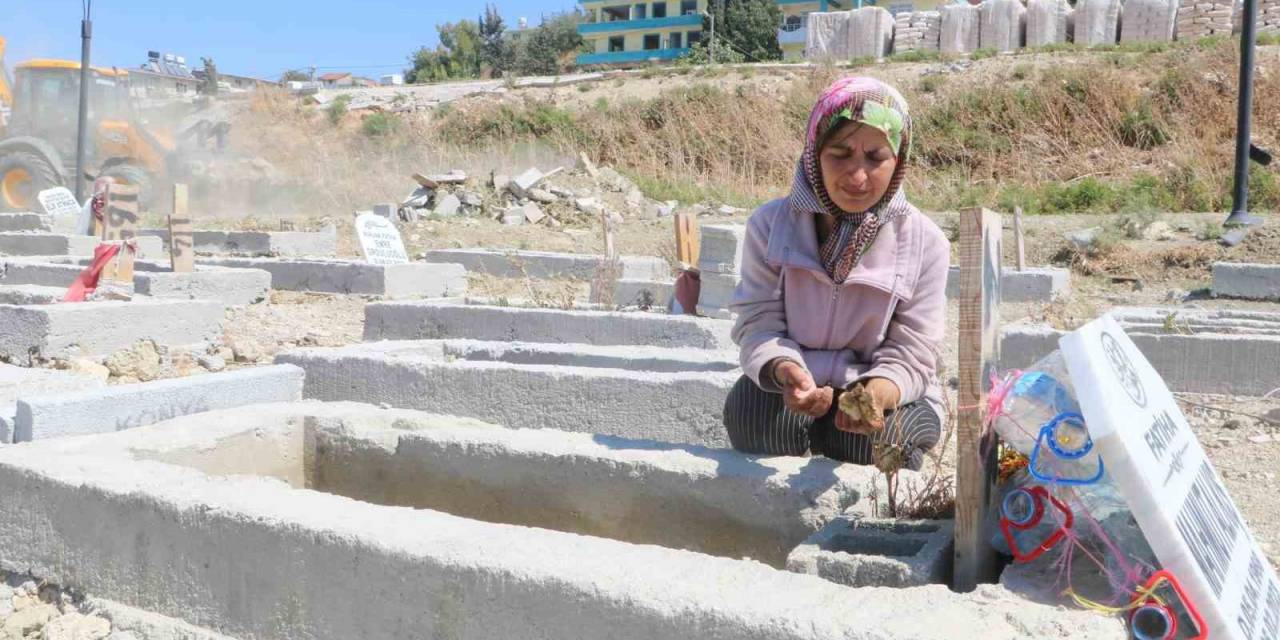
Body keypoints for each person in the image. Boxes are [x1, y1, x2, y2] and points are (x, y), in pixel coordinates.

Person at [722, 76, 949, 471]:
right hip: (799, 383)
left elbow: (913, 351)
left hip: (879, 386)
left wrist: (874, 395)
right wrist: (785, 371)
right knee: (752, 416)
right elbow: (759, 322)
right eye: (840, 154)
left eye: (875, 157)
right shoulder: (770, 226)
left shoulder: (925, 242)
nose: (857, 176)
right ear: (815, 153)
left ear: (898, 160)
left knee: (880, 444)